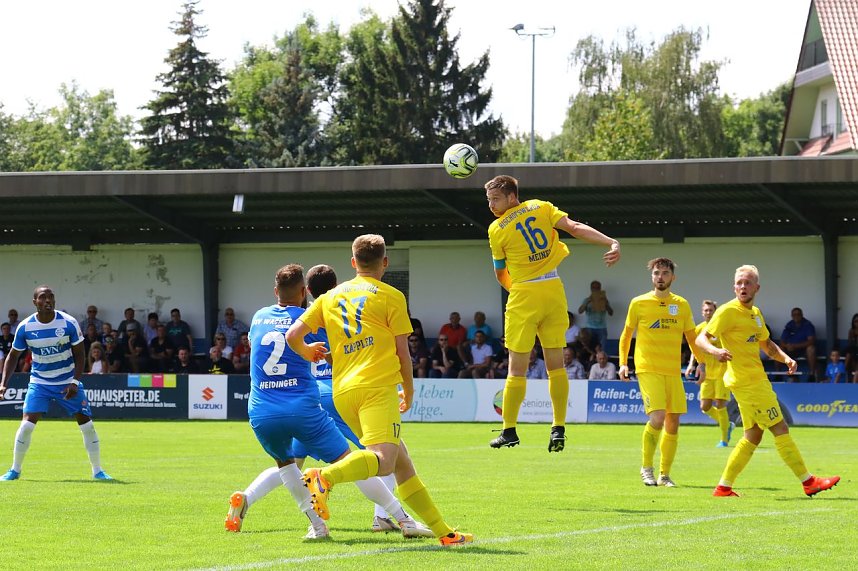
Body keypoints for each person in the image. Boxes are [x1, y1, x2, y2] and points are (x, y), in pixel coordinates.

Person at [286, 234, 473, 546]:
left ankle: (444, 533)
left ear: (353, 262)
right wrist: (409, 392)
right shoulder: (391, 296)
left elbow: (293, 335)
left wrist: (308, 352)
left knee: (401, 461)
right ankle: (324, 477)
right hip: (376, 387)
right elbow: (403, 353)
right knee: (384, 460)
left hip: (343, 391)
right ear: (385, 262)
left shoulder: (329, 298)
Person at [226, 264, 432, 539]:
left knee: (289, 465)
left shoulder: (259, 317)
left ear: (278, 291)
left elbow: (261, 346)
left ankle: (282, 511)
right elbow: (346, 348)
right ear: (304, 292)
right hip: (320, 400)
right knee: (373, 457)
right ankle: (392, 517)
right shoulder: (318, 317)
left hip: (263, 409)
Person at [484, 174, 621, 452]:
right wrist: (611, 242)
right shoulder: (542, 206)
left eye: (495, 199)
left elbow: (500, 272)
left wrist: (519, 290)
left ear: (512, 197)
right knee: (556, 366)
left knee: (516, 369)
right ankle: (558, 427)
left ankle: (509, 430)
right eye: (488, 200)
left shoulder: (496, 229)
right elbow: (575, 227)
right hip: (554, 289)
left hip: (524, 295)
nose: (491, 205)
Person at [696, 264, 840, 498]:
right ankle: (809, 482)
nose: (743, 286)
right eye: (739, 283)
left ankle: (723, 487)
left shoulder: (755, 314)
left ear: (757, 287)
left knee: (753, 435)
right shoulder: (727, 311)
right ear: (734, 287)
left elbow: (767, 344)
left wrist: (786, 358)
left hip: (750, 381)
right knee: (780, 427)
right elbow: (701, 338)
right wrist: (715, 351)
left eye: (748, 282)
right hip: (748, 383)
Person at [0, 285, 111, 481]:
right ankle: (15, 470)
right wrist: (3, 383)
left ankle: (98, 471)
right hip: (39, 382)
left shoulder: (68, 323)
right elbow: (13, 356)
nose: (48, 300)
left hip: (67, 381)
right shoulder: (26, 327)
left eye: (51, 297)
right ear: (35, 302)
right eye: (43, 297)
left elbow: (80, 355)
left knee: (87, 425)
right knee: (26, 426)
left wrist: (75, 382)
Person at [618, 258, 703, 488]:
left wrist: (701, 363)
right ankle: (646, 468)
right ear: (652, 276)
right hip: (648, 368)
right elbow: (626, 335)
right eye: (657, 273)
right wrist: (623, 363)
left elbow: (692, 337)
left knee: (672, 422)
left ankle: (665, 475)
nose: (660, 277)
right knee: (657, 418)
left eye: (665, 273)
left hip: (672, 370)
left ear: (673, 277)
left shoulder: (681, 304)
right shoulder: (639, 302)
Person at [685, 300, 734, 447]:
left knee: (720, 404)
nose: (708, 313)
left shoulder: (721, 327)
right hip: (707, 372)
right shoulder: (699, 329)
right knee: (705, 406)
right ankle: (727, 424)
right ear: (702, 312)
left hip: (722, 371)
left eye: (710, 310)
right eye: (706, 310)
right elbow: (695, 349)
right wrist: (691, 364)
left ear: (715, 312)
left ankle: (724, 440)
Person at [779, 307, 818, 380]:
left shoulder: (807, 325)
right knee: (778, 349)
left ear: (802, 315)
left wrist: (795, 346)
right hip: (790, 350)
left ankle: (812, 374)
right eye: (794, 315)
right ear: (792, 316)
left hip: (803, 350)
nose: (796, 316)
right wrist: (787, 346)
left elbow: (811, 341)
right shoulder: (789, 325)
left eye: (798, 314)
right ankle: (778, 375)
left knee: (811, 349)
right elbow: (782, 341)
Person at [578, 280, 614, 348]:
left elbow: (611, 313)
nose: (596, 289)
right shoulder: (586, 300)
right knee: (589, 347)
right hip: (589, 328)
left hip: (602, 328)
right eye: (594, 288)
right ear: (591, 289)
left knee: (602, 348)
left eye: (597, 288)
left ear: (600, 288)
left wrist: (606, 304)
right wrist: (586, 303)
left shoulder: (604, 300)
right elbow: (580, 311)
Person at [845, 313, 858, 382]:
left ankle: (855, 376)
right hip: (853, 349)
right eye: (855, 321)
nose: (857, 323)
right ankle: (844, 370)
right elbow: (850, 343)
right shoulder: (851, 331)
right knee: (850, 354)